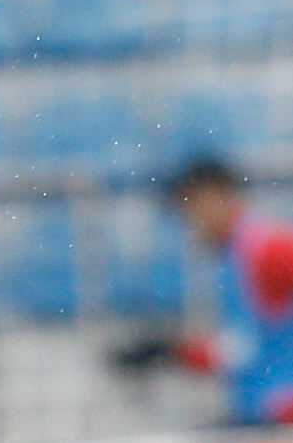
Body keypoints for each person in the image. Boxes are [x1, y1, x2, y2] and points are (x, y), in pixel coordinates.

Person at [118, 155, 293, 427]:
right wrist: (173, 351)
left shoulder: (268, 250)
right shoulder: (237, 255)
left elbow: (244, 350)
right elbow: (242, 348)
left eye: (188, 209)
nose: (187, 225)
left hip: (279, 418)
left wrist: (172, 352)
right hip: (259, 416)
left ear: (213, 196)